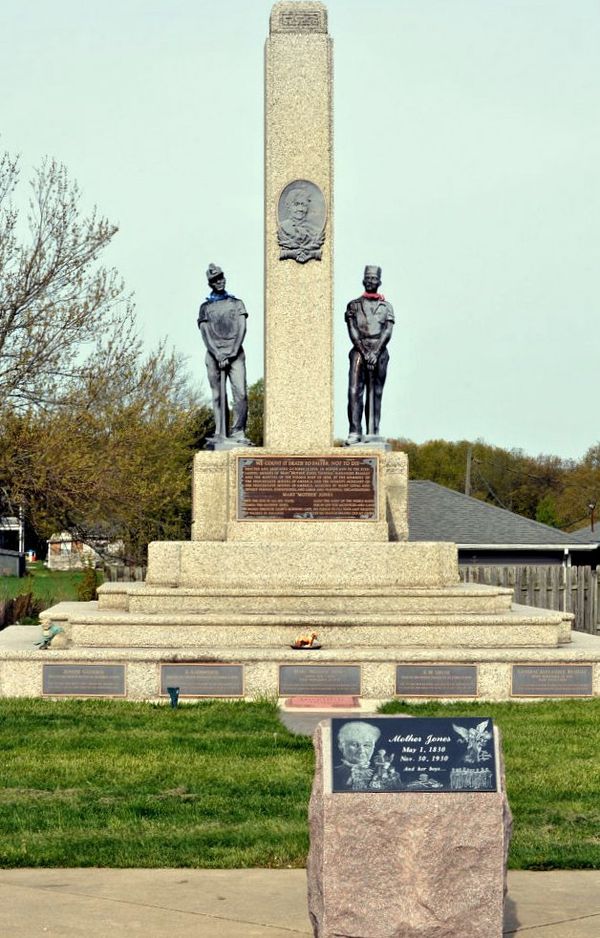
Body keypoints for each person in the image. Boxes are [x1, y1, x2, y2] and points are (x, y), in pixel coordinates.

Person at [197, 264, 249, 444]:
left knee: (240, 393)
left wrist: (233, 352)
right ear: (210, 283)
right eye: (215, 280)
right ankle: (221, 431)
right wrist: (217, 354)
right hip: (214, 354)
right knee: (218, 395)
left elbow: (242, 328)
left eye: (221, 277)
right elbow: (205, 334)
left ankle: (238, 431)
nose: (219, 281)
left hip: (235, 353)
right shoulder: (205, 307)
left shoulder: (237, 303)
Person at [344, 265, 394, 444]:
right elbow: (352, 330)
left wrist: (376, 351)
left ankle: (373, 430)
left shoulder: (386, 307)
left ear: (379, 282)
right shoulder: (353, 305)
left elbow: (387, 332)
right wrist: (365, 352)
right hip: (359, 349)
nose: (371, 281)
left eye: (374, 279)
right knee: (354, 391)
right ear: (363, 280)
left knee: (376, 392)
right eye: (368, 278)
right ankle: (355, 431)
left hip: (379, 351)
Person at [333, 721, 381, 791]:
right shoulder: (333, 774)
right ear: (341, 747)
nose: (362, 750)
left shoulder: (379, 774)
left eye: (367, 745)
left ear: (373, 747)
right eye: (355, 744)